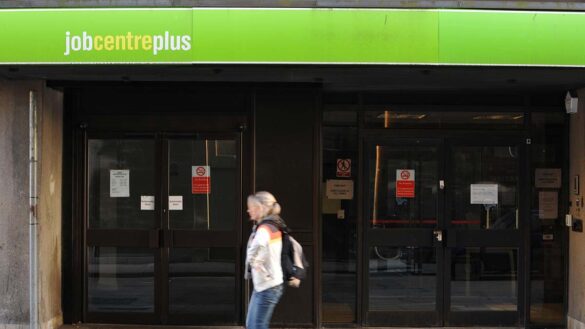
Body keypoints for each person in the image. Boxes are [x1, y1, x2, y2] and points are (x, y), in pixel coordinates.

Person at [245, 191, 286, 329]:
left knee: (256, 326)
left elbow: (258, 245)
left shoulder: (265, 228)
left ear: (259, 207)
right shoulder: (272, 225)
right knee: (253, 325)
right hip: (265, 285)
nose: (248, 210)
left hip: (268, 286)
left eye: (251, 207)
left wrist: (254, 261)